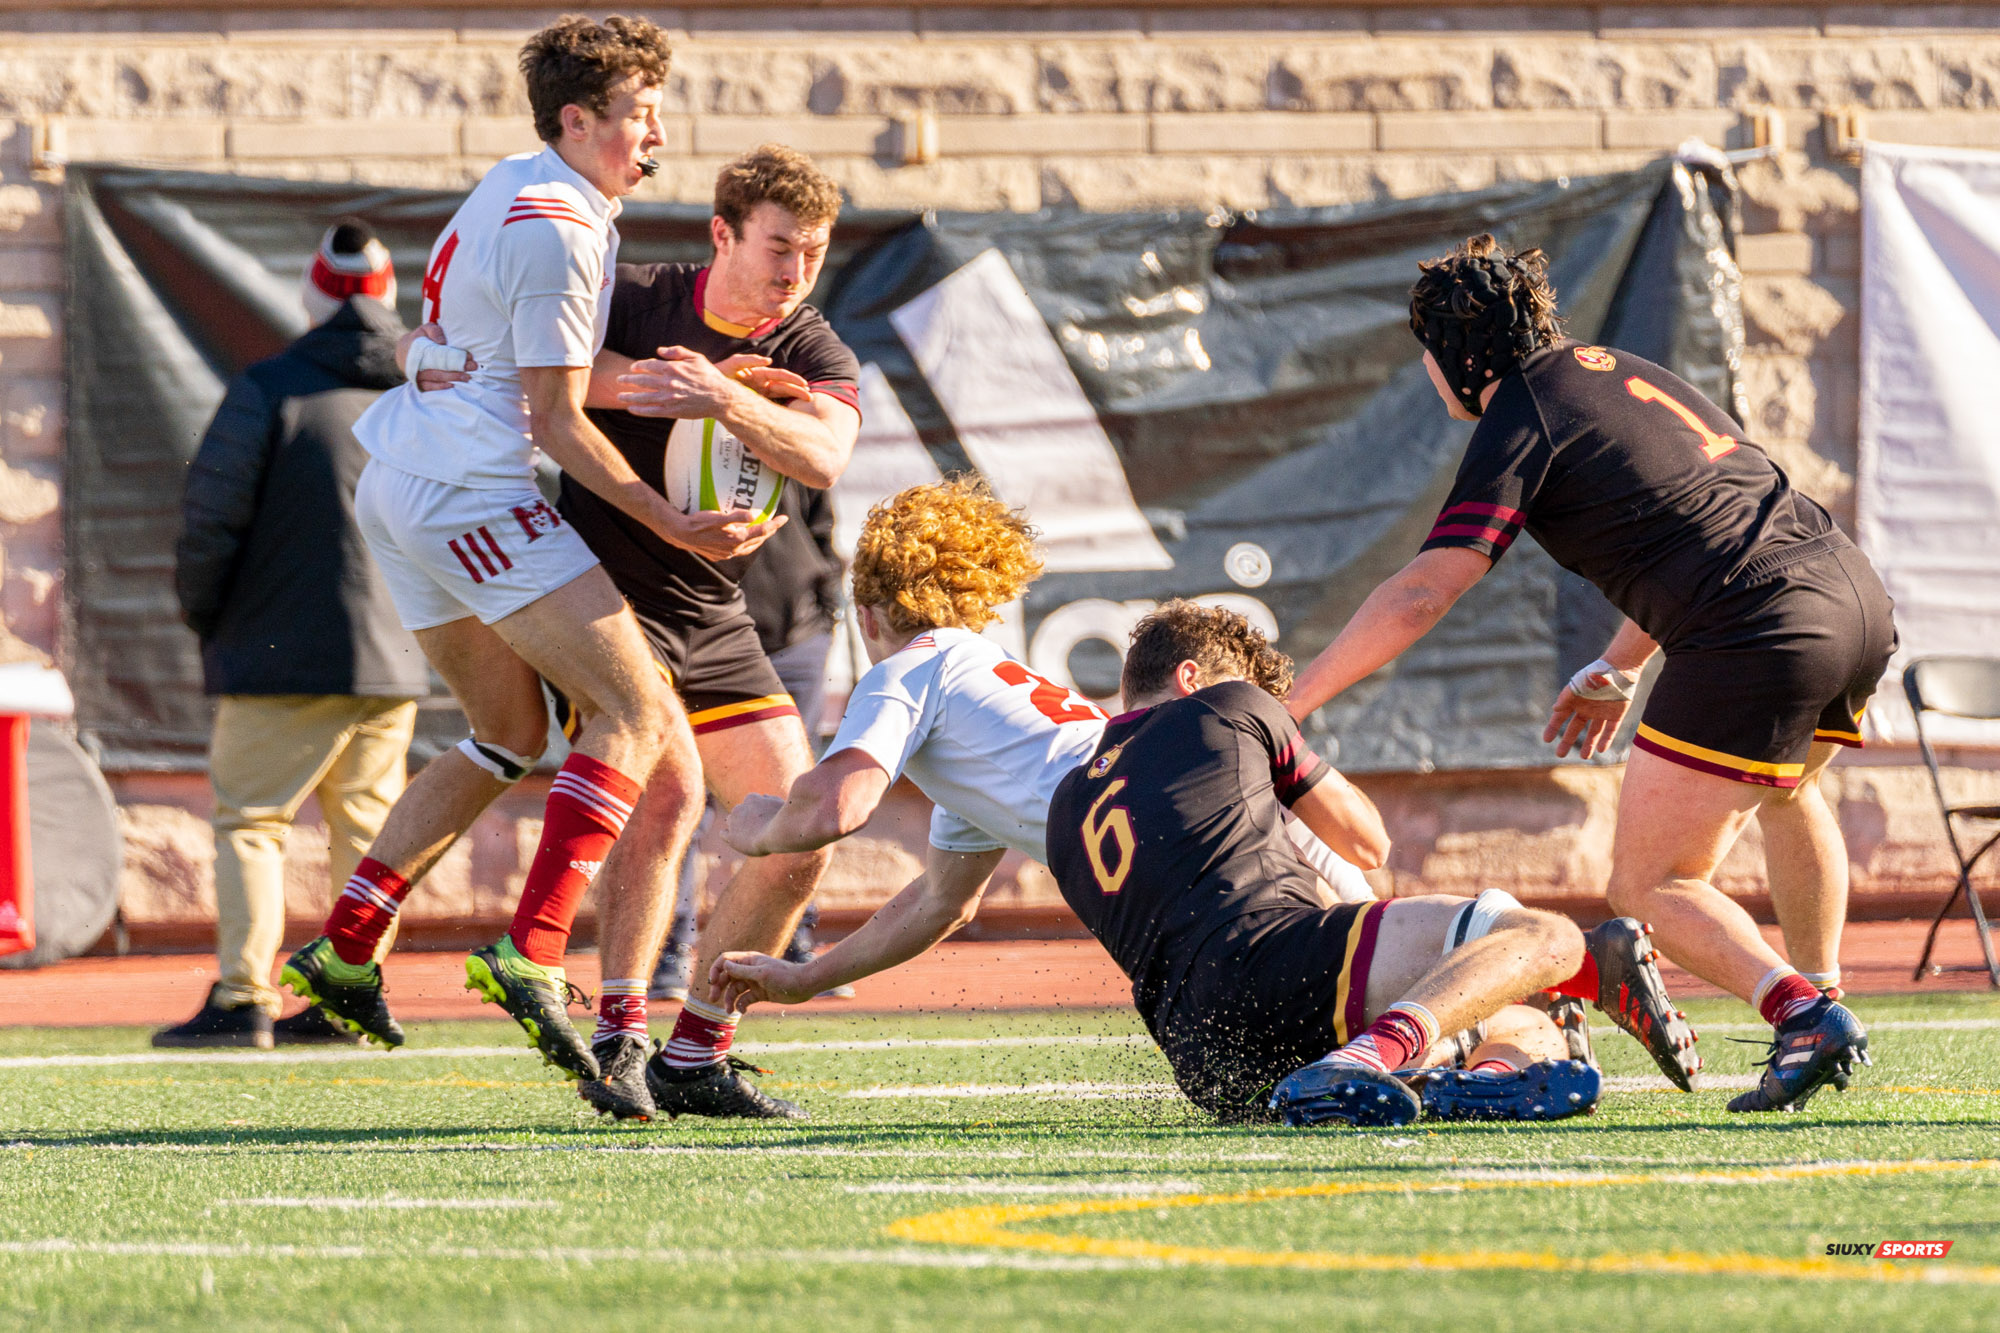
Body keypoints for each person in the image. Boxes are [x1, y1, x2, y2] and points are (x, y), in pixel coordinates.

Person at [709, 489, 1692, 1120]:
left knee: (1463, 973)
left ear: (871, 612)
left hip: (1193, 969)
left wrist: (749, 821)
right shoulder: (986, 706)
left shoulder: (920, 669)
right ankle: (1518, 1011)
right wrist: (804, 967)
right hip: (1222, 875)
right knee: (1504, 950)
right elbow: (931, 897)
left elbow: (837, 813)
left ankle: (1493, 1035)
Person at [1285, 234, 1893, 1113]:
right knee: (1788, 790)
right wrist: (1617, 663)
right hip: (1848, 591)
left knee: (1649, 884)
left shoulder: (1521, 410)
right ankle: (1821, 995)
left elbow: (1425, 589)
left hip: (1757, 623)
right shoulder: (1609, 369)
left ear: (1457, 353)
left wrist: (1293, 702)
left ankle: (1801, 1013)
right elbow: (1707, 521)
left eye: (1426, 353)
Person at [280, 17, 720, 1122]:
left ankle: (342, 950)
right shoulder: (562, 228)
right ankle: (530, 951)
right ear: (577, 119)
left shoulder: (521, 181)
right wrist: (663, 516)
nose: (655, 128)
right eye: (636, 110)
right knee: (637, 713)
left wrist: (705, 386)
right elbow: (557, 418)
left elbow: (527, 366)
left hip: (403, 474)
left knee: (505, 736)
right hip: (469, 490)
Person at [382, 144, 861, 1121]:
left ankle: (698, 1050)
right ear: (723, 232)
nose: (792, 271)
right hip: (596, 591)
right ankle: (619, 1036)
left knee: (799, 832)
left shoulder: (811, 345)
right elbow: (544, 369)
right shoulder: (634, 293)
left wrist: (721, 394)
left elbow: (820, 456)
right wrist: (663, 379)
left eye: (812, 252)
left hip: (714, 610)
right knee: (664, 797)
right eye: (778, 246)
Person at [156, 222, 429, 1050]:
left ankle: (245, 999)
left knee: (251, 821)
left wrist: (210, 618)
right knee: (370, 832)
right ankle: (349, 995)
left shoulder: (272, 387)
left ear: (314, 294)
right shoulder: (419, 393)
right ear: (389, 295)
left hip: (279, 656)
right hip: (399, 655)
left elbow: (211, 522)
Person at [649, 481, 853, 1004]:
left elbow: (818, 522)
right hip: (690, 639)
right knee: (679, 796)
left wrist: (820, 608)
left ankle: (792, 941)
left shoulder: (785, 428)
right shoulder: (660, 419)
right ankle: (670, 950)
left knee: (796, 797)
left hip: (791, 638)